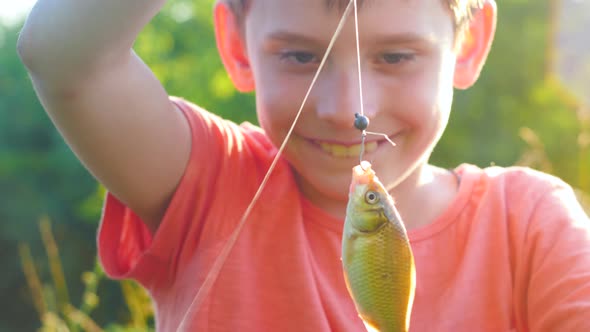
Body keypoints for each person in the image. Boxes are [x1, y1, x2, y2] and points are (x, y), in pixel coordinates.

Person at [17, 0, 590, 331]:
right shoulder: (209, 181)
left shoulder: (533, 224)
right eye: (300, 56)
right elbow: (66, 57)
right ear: (237, 46)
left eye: (395, 56)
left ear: (467, 45)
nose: (348, 111)